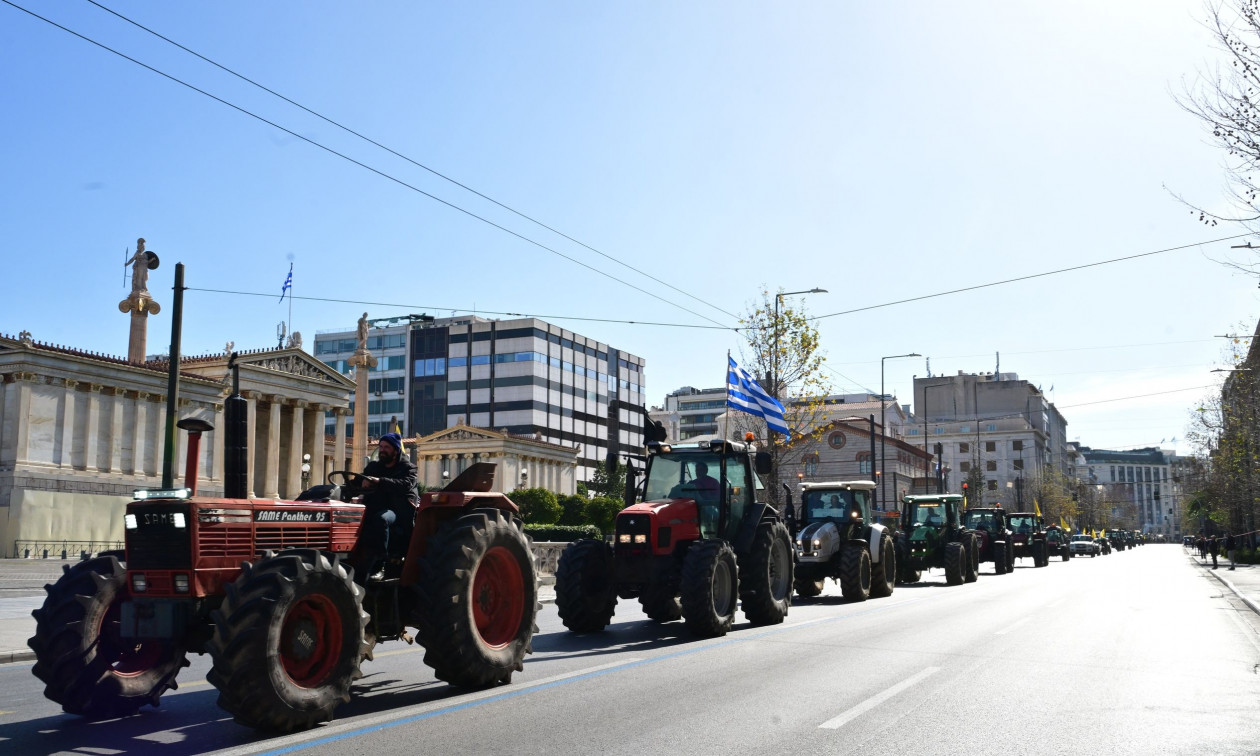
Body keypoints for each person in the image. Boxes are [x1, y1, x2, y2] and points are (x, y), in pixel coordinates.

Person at [353, 432, 418, 585]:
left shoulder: (408, 468)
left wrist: (379, 481)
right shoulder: (374, 466)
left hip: (397, 510)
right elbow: (358, 480)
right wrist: (360, 482)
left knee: (381, 519)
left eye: (387, 447)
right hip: (374, 506)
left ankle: (380, 563)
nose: (382, 450)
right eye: (381, 446)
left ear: (395, 450)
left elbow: (404, 485)